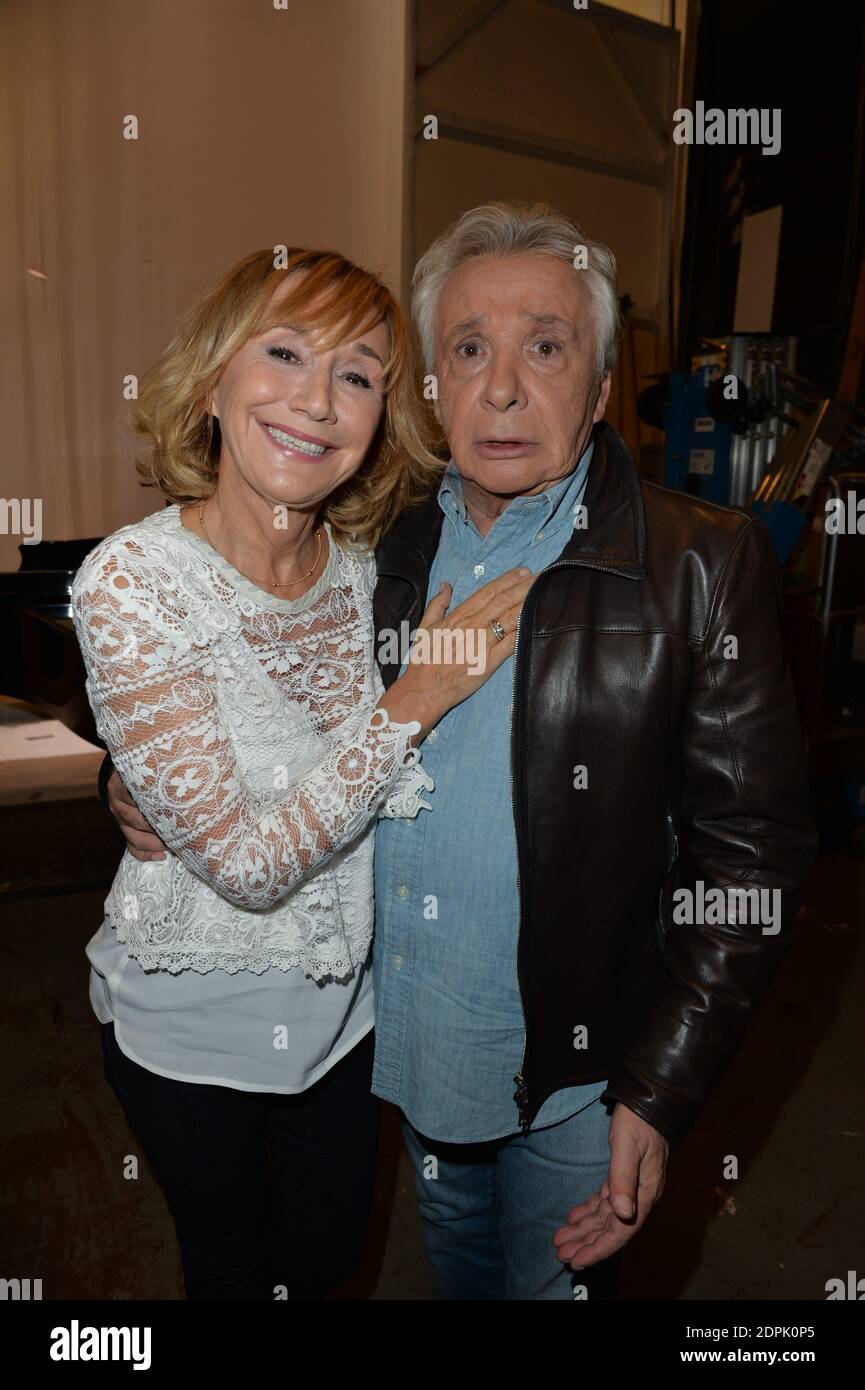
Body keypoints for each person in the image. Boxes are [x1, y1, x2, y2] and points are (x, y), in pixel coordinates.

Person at [104, 202, 817, 1302]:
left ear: (599, 379)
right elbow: (257, 700)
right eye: (468, 351)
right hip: (406, 1068)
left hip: (578, 1088)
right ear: (431, 388)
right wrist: (135, 778)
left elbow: (752, 859)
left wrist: (661, 1091)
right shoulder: (376, 544)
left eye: (544, 347)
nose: (500, 388)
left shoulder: (695, 564)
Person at [72, 243, 532, 1300]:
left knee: (329, 1276)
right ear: (216, 380)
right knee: (235, 1278)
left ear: (380, 419)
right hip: (194, 1046)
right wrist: (418, 696)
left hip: (349, 1029)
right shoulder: (133, 581)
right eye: (284, 352)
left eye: (359, 374)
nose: (317, 400)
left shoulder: (373, 577)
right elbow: (243, 861)